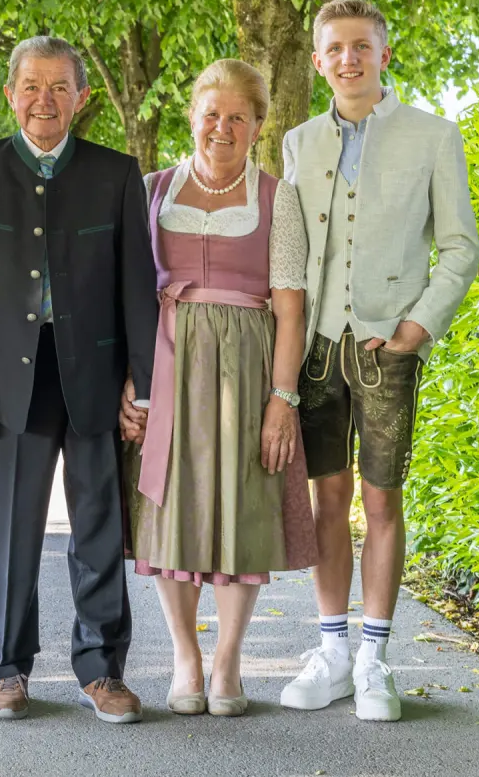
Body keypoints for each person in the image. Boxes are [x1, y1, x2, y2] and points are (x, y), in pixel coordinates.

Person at [0, 36, 158, 723]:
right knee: (12, 527)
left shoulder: (117, 173)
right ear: (10, 93)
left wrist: (143, 384)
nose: (44, 100)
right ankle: (6, 666)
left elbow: (137, 290)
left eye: (59, 87)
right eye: (31, 86)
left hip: (92, 374)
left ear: (81, 98)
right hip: (9, 379)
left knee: (99, 523)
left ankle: (102, 668)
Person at [279, 0, 479, 722]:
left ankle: (373, 657)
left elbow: (461, 247)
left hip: (386, 346)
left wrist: (417, 325)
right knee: (324, 497)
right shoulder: (298, 142)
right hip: (316, 350)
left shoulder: (434, 136)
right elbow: (292, 251)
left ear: (383, 55)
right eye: (334, 49)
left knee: (382, 498)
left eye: (361, 46)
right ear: (319, 59)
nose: (348, 59)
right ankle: (332, 650)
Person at [120, 59, 318, 719]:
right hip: (167, 368)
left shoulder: (275, 197)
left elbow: (291, 307)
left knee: (241, 507)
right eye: (213, 113)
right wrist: (131, 382)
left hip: (246, 371)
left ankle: (228, 658)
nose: (223, 128)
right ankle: (186, 656)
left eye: (239, 116)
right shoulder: (151, 190)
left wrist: (282, 398)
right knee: (169, 512)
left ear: (259, 125)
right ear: (192, 116)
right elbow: (126, 299)